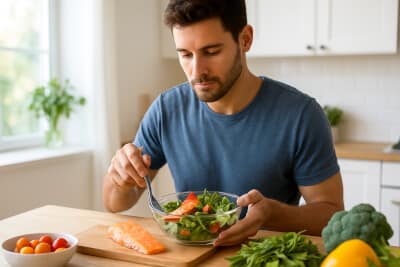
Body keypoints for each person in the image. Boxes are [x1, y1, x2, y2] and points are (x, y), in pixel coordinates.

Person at [103, 0, 344, 246]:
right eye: (185, 54)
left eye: (211, 51)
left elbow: (331, 215)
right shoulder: (166, 109)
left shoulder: (301, 115)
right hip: (190, 258)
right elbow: (114, 203)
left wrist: (274, 215)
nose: (197, 71)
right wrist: (119, 178)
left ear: (245, 39)